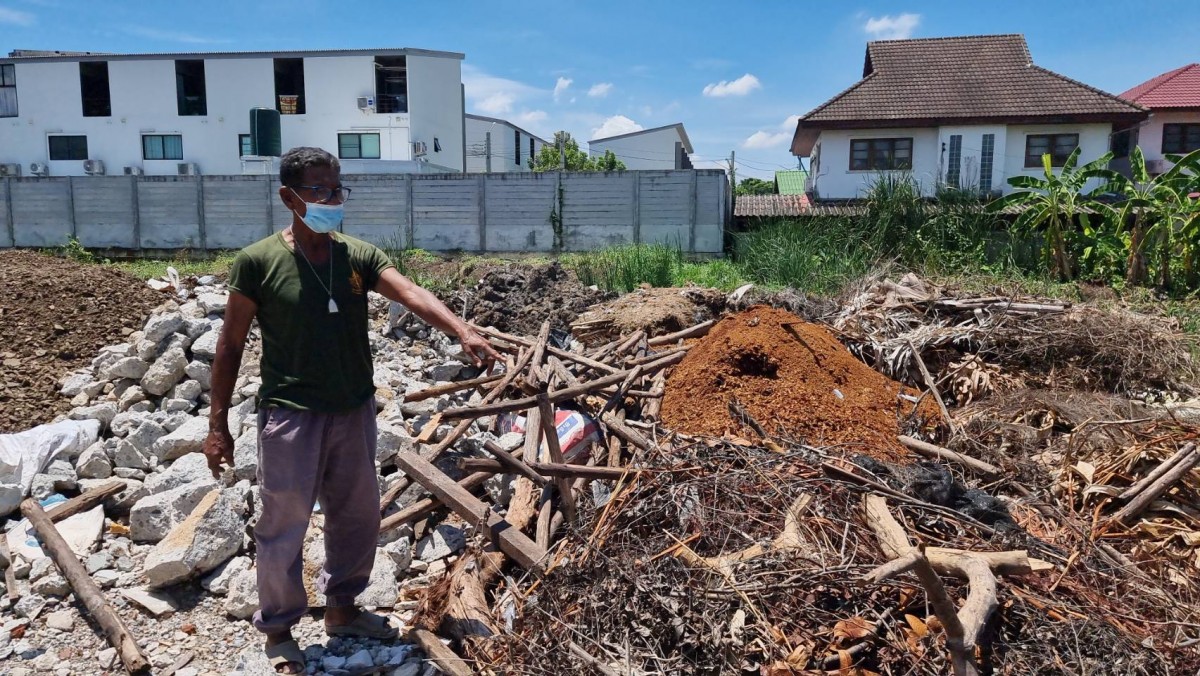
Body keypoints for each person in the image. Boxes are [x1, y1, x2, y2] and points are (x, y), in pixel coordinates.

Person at [202, 146, 500, 674]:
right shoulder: (258, 262)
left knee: (358, 517)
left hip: (353, 411)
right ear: (288, 197)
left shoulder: (357, 255)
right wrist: (217, 425)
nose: (331, 199)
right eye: (319, 190)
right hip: (291, 414)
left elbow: (409, 291)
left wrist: (462, 330)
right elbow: (229, 346)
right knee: (283, 524)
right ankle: (278, 628)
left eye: (337, 189)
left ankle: (342, 609)